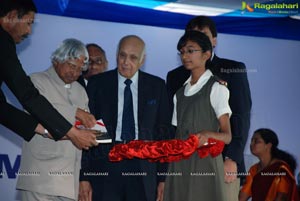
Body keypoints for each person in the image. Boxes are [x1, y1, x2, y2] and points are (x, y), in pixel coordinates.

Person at [166, 16, 252, 201]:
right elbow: (173, 126)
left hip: (222, 160)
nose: (197, 40)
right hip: (184, 162)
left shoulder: (232, 69)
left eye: (203, 35)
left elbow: (240, 115)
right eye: (192, 36)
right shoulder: (175, 76)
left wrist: (232, 158)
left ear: (214, 40)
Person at [79, 35, 172, 201]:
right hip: (105, 165)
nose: (125, 62)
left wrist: (163, 178)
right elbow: (87, 130)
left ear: (142, 60)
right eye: (122, 55)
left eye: (133, 57)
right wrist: (84, 176)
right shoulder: (97, 84)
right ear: (116, 55)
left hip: (143, 168)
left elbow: (163, 135)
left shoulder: (157, 86)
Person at [0, 0, 97, 149]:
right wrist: (71, 132)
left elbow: (2, 109)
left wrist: (48, 130)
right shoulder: (3, 41)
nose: (29, 31)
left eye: (79, 68)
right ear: (12, 16)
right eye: (29, 23)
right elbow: (27, 95)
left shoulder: (80, 90)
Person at [16, 38, 96, 201]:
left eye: (80, 69)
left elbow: (83, 130)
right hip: (39, 181)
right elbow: (41, 112)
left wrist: (96, 132)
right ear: (57, 59)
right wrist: (76, 112)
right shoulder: (36, 81)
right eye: (72, 66)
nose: (75, 73)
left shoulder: (81, 91)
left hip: (69, 185)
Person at [162, 30, 232, 201]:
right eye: (182, 52)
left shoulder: (217, 88)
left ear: (207, 54)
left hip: (204, 162)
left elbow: (227, 136)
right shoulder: (179, 93)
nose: (185, 56)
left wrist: (208, 135)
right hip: (179, 164)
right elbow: (178, 133)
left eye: (191, 50)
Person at [239, 128, 299, 201]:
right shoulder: (253, 170)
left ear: (268, 145)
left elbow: (282, 197)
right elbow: (242, 197)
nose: (251, 144)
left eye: (256, 141)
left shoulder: (281, 168)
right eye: (251, 140)